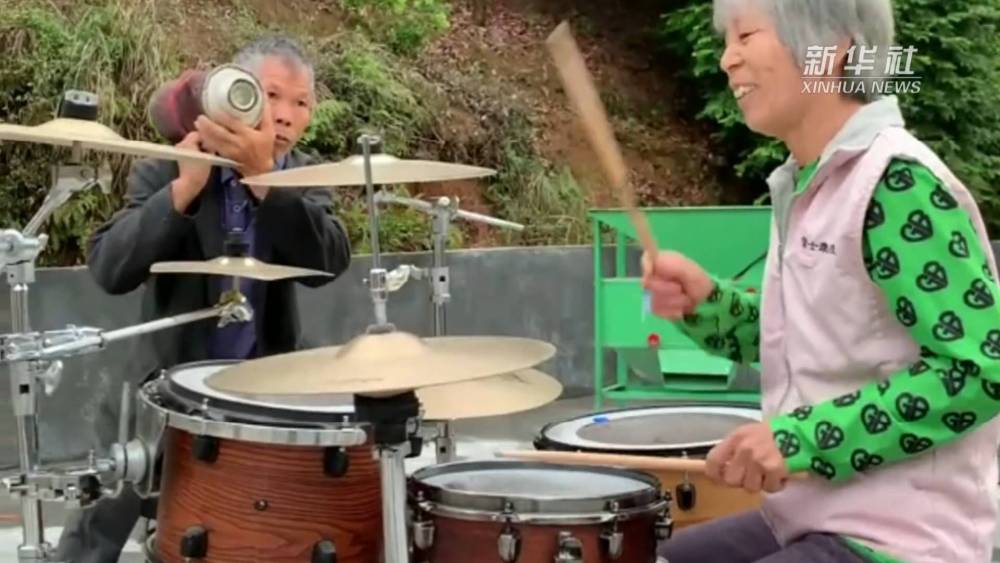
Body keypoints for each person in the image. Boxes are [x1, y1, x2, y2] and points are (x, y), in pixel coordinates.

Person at [643, 1, 1000, 562]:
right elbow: (810, 339)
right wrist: (707, 303)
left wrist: (799, 439)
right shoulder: (809, 182)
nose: (727, 59)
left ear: (829, 51)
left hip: (903, 537)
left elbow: (980, 370)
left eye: (746, 35)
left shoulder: (895, 183)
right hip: (811, 516)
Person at [54, 36, 351, 563]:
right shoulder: (172, 164)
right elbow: (111, 269)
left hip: (265, 387)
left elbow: (328, 261)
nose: (285, 115)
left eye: (301, 102)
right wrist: (183, 190)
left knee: (256, 531)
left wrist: (266, 181)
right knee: (101, 519)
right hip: (165, 383)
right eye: (271, 96)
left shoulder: (304, 175)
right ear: (237, 95)